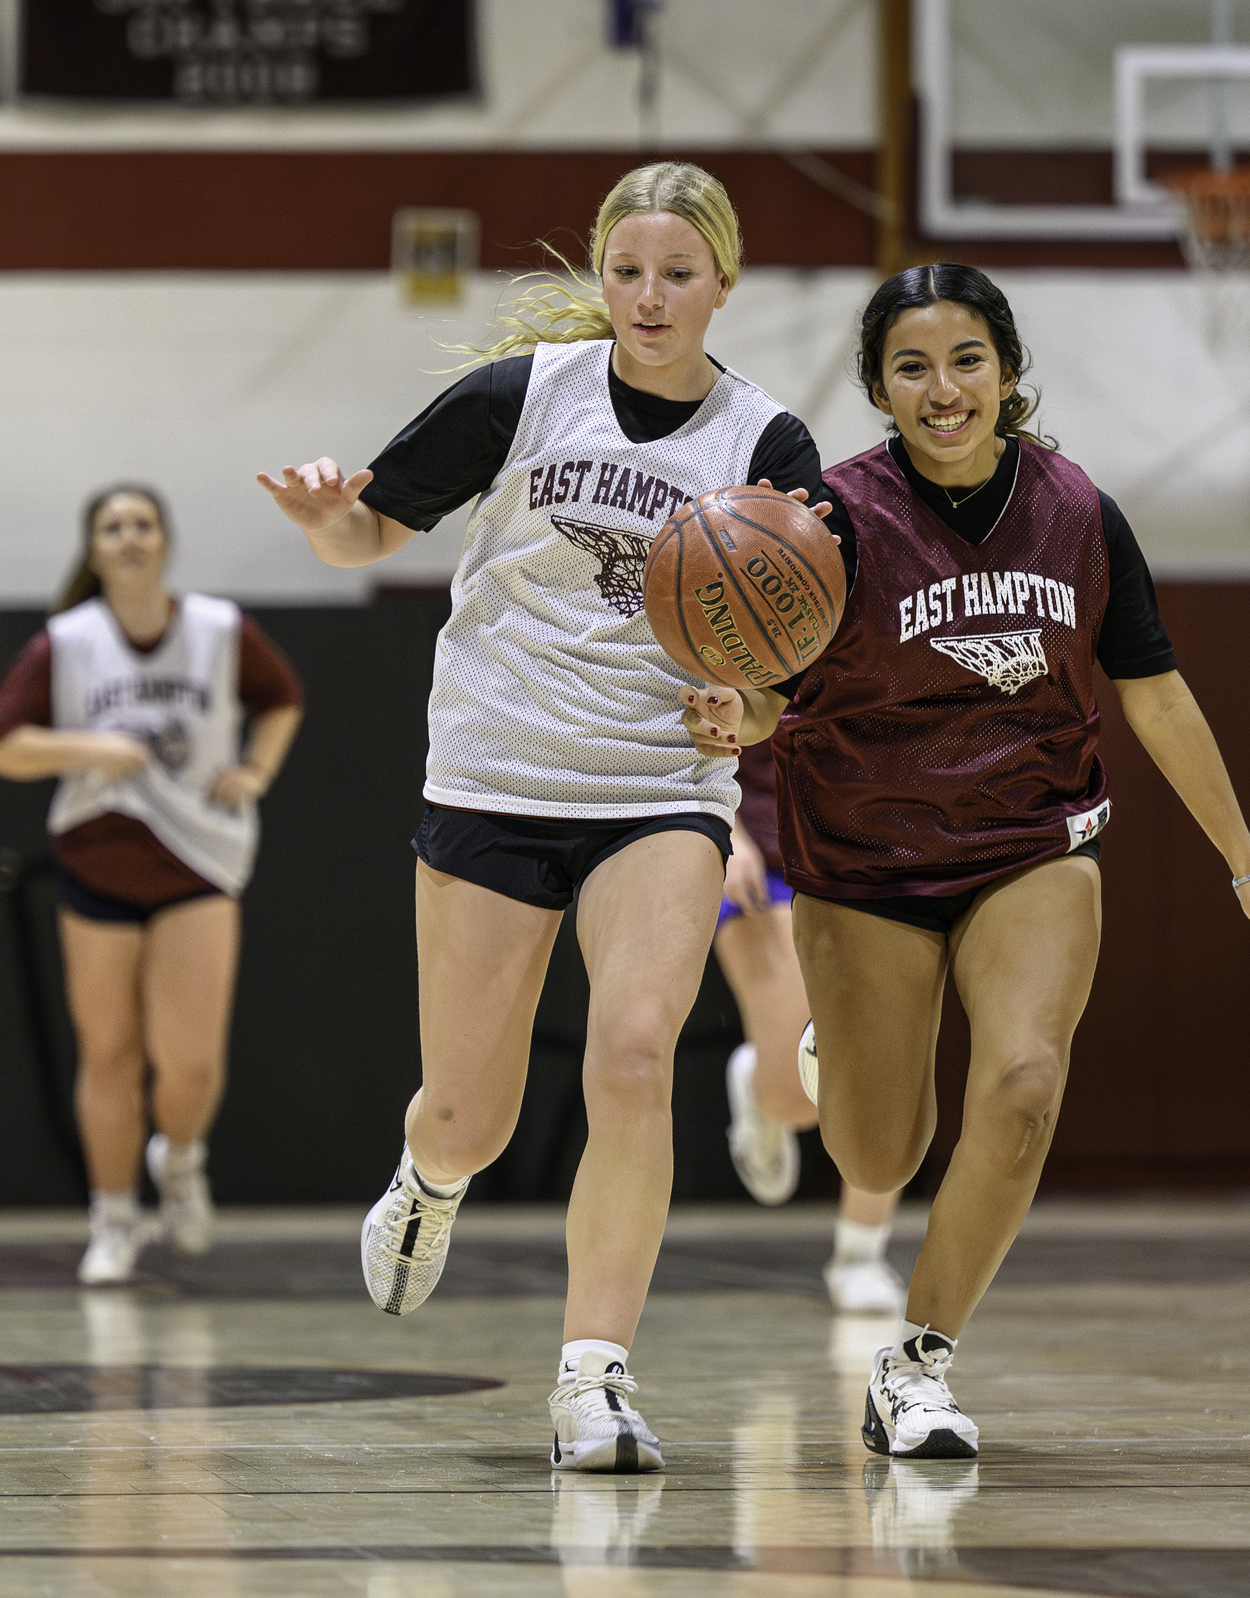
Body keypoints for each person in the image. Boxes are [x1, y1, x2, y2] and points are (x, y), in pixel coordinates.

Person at [682, 262, 1250, 1461]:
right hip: (864, 859)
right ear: (877, 385)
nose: (943, 387)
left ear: (1008, 373)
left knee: (1023, 1089)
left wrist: (1249, 865)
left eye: (966, 359)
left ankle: (918, 1360)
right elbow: (770, 697)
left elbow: (1160, 697)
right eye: (911, 366)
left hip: (1032, 843)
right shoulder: (828, 519)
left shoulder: (1078, 511)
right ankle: (832, 1052)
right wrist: (735, 712)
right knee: (879, 1150)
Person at [256, 162, 829, 1474]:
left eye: (678, 273)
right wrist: (321, 518)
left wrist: (754, 709)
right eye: (627, 270)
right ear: (600, 274)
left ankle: (594, 1376)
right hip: (498, 771)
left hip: (658, 788)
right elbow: (369, 537)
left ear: (722, 285)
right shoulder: (526, 395)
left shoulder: (767, 446)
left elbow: (794, 664)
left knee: (633, 1055)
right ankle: (430, 1172)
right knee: (472, 1111)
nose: (648, 296)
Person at [0, 486, 303, 1285]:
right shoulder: (68, 639)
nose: (128, 537)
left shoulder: (220, 630)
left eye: (141, 524)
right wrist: (87, 747)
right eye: (111, 527)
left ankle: (181, 1161)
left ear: (165, 541)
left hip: (199, 861)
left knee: (187, 1062)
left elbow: (282, 699)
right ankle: (114, 1217)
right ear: (92, 550)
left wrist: (255, 768)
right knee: (111, 1054)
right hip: (97, 862)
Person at [716, 741, 904, 1314]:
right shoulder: (727, 649)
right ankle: (758, 1084)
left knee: (894, 1064)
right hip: (763, 864)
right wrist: (725, 834)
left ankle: (860, 1255)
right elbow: (683, 739)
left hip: (873, 860)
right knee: (796, 1100)